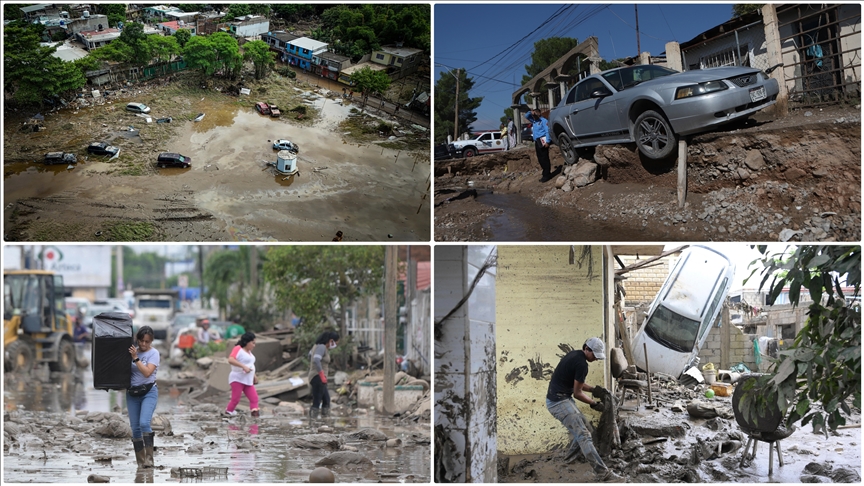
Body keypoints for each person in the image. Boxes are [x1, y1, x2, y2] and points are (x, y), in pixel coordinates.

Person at [546, 337, 622, 482]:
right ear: (586, 349)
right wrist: (594, 403)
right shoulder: (582, 364)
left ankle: (568, 460)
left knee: (586, 429)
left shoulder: (575, 355)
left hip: (560, 398)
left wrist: (594, 389)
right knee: (584, 435)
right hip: (558, 402)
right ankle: (603, 474)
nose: (595, 359)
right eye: (594, 355)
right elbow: (578, 393)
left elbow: (578, 384)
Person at [128, 326, 159, 469]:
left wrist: (135, 358)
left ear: (151, 341)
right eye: (141, 341)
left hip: (149, 392)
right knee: (135, 428)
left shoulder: (154, 353)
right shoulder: (131, 350)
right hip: (132, 393)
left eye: (147, 341)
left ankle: (149, 460)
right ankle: (141, 463)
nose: (143, 344)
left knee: (144, 423)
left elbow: (147, 373)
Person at [226, 332, 260, 417]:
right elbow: (230, 360)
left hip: (248, 379)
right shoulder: (238, 349)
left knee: (254, 398)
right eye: (253, 343)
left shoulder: (249, 353)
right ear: (247, 342)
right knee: (235, 399)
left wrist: (254, 376)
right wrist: (243, 367)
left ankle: (255, 416)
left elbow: (251, 365)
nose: (254, 345)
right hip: (238, 378)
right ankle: (228, 412)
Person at [308, 331, 340, 418]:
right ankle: (313, 423)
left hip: (317, 376)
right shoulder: (321, 347)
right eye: (336, 343)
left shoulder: (317, 346)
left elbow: (310, 355)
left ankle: (325, 421)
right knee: (317, 402)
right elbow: (316, 360)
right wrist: (321, 374)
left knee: (326, 400)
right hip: (318, 377)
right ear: (331, 340)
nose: (335, 345)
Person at [524, 108, 553, 182]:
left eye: (536, 113)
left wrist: (547, 141)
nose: (534, 115)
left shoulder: (543, 121)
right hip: (537, 141)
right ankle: (544, 173)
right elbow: (526, 116)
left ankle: (547, 175)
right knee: (540, 158)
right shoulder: (534, 121)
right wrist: (530, 112)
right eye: (534, 113)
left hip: (543, 140)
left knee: (544, 158)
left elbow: (547, 131)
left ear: (539, 113)